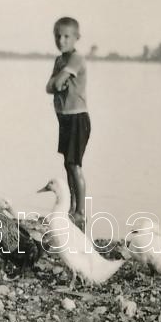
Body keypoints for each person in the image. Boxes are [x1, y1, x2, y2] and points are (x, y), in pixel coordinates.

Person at [45, 16, 90, 226]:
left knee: (74, 165)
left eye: (66, 36)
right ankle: (71, 207)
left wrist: (57, 83)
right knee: (67, 163)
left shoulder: (76, 59)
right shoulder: (59, 60)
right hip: (64, 119)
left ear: (76, 38)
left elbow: (58, 83)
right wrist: (56, 83)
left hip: (77, 118)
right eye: (58, 36)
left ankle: (80, 211)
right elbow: (48, 87)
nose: (61, 40)